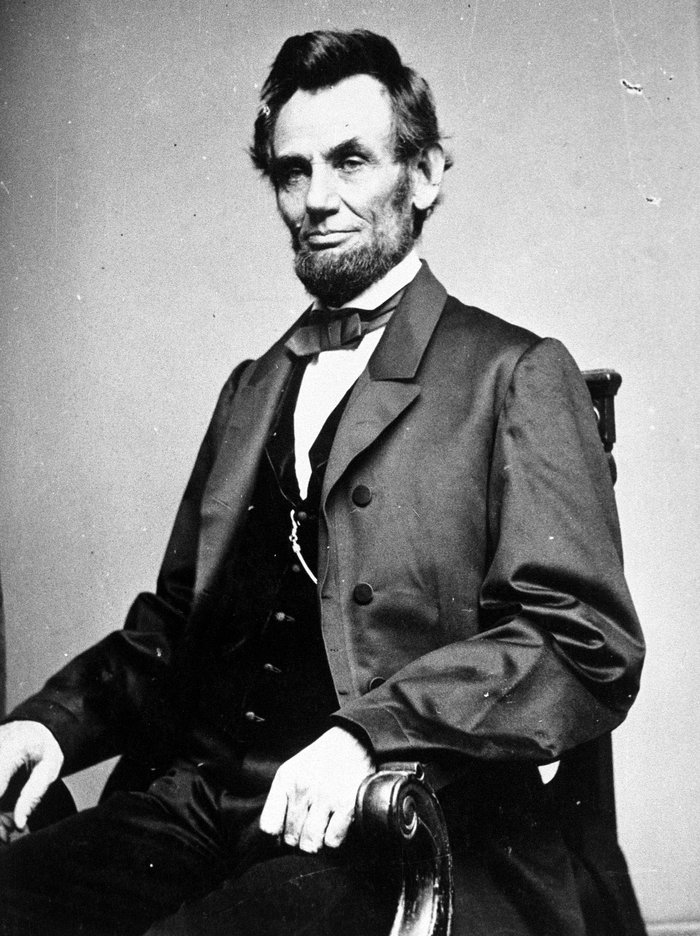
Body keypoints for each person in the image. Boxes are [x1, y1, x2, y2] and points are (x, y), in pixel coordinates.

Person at [0, 29, 646, 936]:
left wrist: (368, 735)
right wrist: (47, 725)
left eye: (350, 161)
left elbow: (583, 642)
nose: (316, 199)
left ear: (425, 176)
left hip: (407, 823)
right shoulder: (252, 387)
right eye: (291, 171)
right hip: (208, 802)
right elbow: (174, 629)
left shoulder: (515, 374)